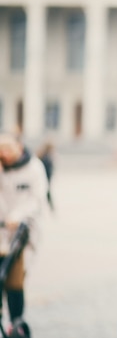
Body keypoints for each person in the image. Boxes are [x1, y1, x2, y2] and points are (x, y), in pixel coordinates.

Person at [0, 133, 48, 337]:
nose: (5, 153)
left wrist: (17, 216)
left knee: (13, 279)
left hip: (20, 233)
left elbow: (37, 199)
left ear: (18, 146)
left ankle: (16, 322)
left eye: (8, 148)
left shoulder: (33, 168)